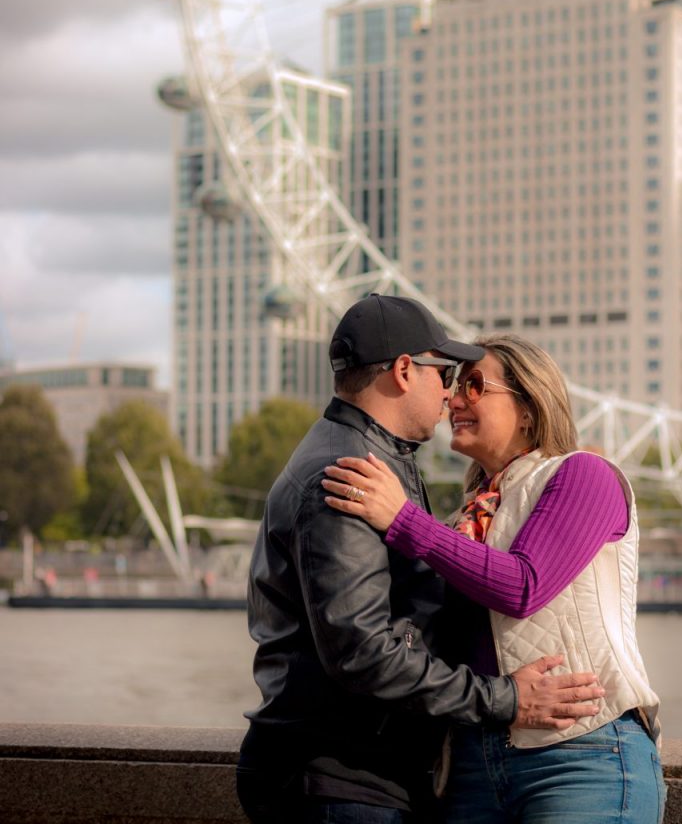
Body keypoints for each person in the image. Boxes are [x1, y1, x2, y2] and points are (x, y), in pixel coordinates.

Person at [238, 297, 606, 824]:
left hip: (352, 772)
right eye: (447, 373)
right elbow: (363, 652)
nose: (450, 392)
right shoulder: (349, 476)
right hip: (343, 779)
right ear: (406, 371)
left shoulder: (372, 461)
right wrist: (504, 700)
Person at [323, 332, 666, 823]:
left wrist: (401, 519)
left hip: (582, 753)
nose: (454, 398)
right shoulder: (468, 516)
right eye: (455, 385)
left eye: (476, 385)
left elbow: (522, 586)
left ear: (529, 406)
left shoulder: (585, 476)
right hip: (470, 764)